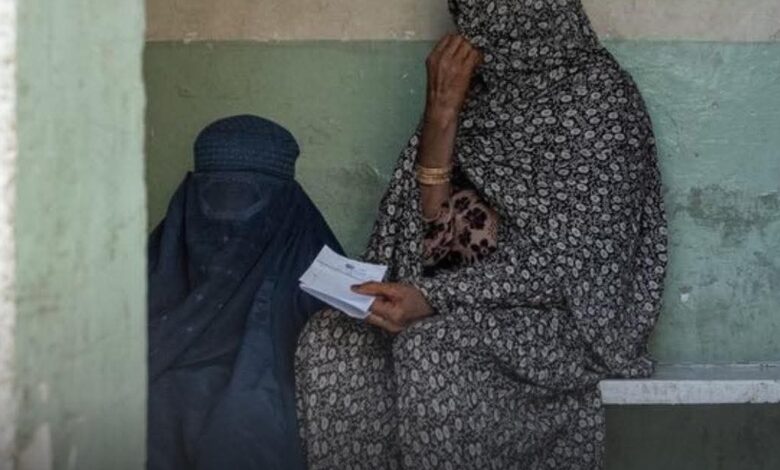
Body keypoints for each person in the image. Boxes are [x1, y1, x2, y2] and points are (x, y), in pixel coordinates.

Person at [295, 1, 668, 469]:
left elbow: (577, 268)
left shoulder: (602, 99)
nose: (474, 32)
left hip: (562, 320)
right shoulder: (472, 93)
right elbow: (432, 240)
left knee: (434, 350)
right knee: (331, 342)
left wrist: (435, 298)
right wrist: (441, 116)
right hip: (449, 302)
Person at [147, 115, 342, 470]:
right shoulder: (147, 279)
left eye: (246, 198)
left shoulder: (317, 280)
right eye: (215, 196)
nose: (227, 216)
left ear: (286, 205)